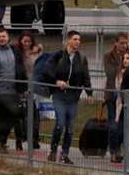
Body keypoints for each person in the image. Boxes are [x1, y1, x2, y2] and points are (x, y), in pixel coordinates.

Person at [45, 30, 94, 165]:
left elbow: (86, 76)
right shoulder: (58, 55)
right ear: (68, 40)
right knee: (60, 124)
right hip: (59, 95)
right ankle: (53, 150)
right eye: (75, 39)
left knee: (70, 127)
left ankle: (65, 153)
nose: (78, 42)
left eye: (79, 39)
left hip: (73, 97)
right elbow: (47, 71)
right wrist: (57, 81)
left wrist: (89, 93)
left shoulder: (82, 58)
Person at [104, 33, 128, 163]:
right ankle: (113, 151)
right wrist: (122, 63)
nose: (124, 45)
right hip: (112, 95)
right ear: (116, 43)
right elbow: (110, 73)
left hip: (124, 96)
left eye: (126, 43)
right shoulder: (108, 56)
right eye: (122, 43)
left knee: (122, 126)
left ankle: (118, 149)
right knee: (113, 124)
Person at [16, 31, 42, 149]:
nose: (26, 43)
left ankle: (34, 138)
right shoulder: (18, 53)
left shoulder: (36, 52)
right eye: (24, 41)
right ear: (21, 41)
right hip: (22, 85)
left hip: (34, 85)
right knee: (23, 114)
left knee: (35, 114)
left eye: (29, 41)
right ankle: (21, 138)